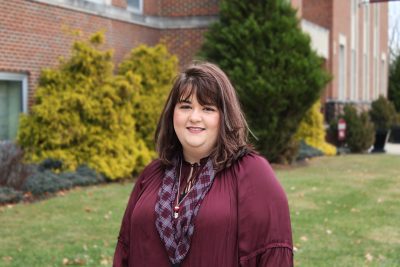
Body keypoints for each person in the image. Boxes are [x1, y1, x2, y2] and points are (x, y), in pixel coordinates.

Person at [113, 62, 293, 267]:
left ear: (224, 117)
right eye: (185, 106)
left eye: (207, 108)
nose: (194, 117)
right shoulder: (152, 174)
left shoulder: (252, 173)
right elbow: (125, 251)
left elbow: (273, 254)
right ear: (172, 113)